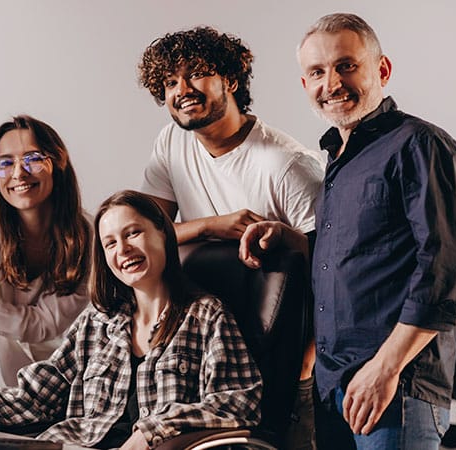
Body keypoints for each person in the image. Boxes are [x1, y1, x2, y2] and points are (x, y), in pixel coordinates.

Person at [241, 13, 456, 450]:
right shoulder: (335, 160)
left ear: (381, 69)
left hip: (397, 388)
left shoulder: (420, 144)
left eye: (346, 65)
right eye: (317, 71)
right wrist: (291, 237)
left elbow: (444, 273)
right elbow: (358, 254)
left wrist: (384, 369)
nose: (332, 83)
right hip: (336, 391)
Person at [138, 26, 324, 448]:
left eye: (196, 74)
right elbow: (146, 232)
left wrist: (304, 368)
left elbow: (333, 272)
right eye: (169, 82)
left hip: (288, 360)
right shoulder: (172, 143)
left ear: (231, 80)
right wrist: (209, 225)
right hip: (206, 349)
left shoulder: (286, 165)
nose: (182, 90)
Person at [0, 190, 262, 449]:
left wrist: (153, 430)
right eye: (110, 243)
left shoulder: (206, 316)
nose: (123, 249)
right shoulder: (96, 323)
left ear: (164, 234)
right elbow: (35, 397)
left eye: (133, 233)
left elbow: (237, 402)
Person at [0, 115, 91, 387]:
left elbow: (42, 327)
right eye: (6, 163)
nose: (18, 173)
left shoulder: (87, 233)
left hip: (76, 386)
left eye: (33, 158)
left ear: (57, 163)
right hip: (14, 389)